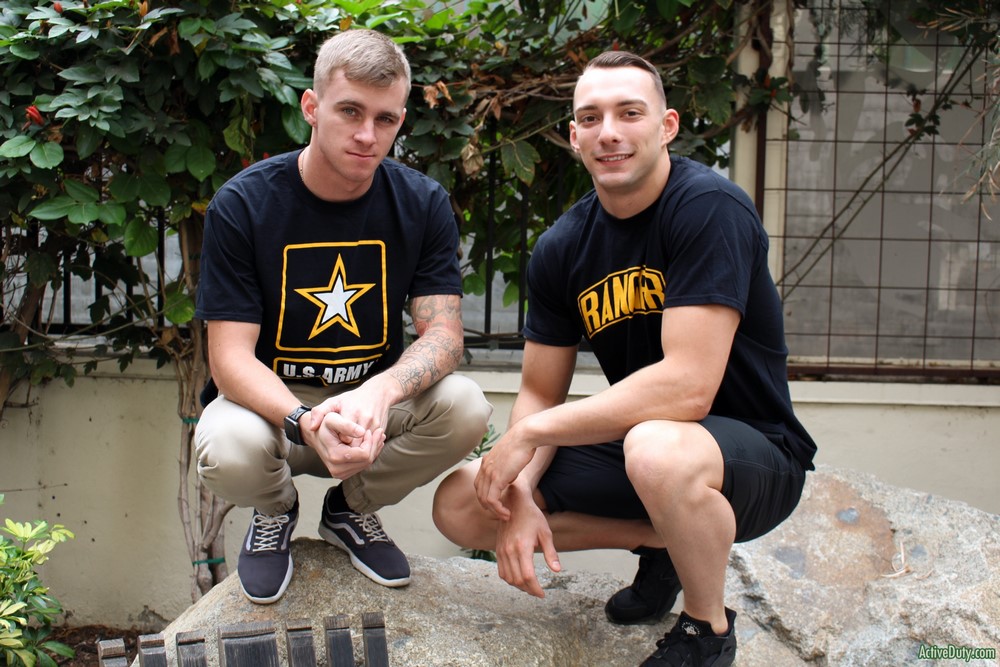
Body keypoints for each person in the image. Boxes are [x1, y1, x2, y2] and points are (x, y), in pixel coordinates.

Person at [432, 50, 816, 666]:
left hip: (753, 456)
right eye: (591, 118)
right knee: (463, 500)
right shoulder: (562, 247)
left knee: (655, 447)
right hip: (648, 453)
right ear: (575, 137)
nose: (608, 132)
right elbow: (540, 391)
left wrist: (528, 435)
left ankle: (707, 630)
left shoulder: (708, 208)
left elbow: (688, 387)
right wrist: (521, 488)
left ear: (667, 126)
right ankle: (665, 544)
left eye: (629, 113)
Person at [194, 28, 491, 605]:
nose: (367, 135)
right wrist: (304, 420)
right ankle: (275, 512)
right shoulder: (244, 204)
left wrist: (380, 392)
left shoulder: (422, 203)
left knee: (466, 407)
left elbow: (444, 335)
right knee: (227, 444)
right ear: (311, 107)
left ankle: (350, 510)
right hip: (273, 406)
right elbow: (229, 359)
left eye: (386, 119)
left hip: (367, 408)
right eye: (350, 111)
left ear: (400, 120)